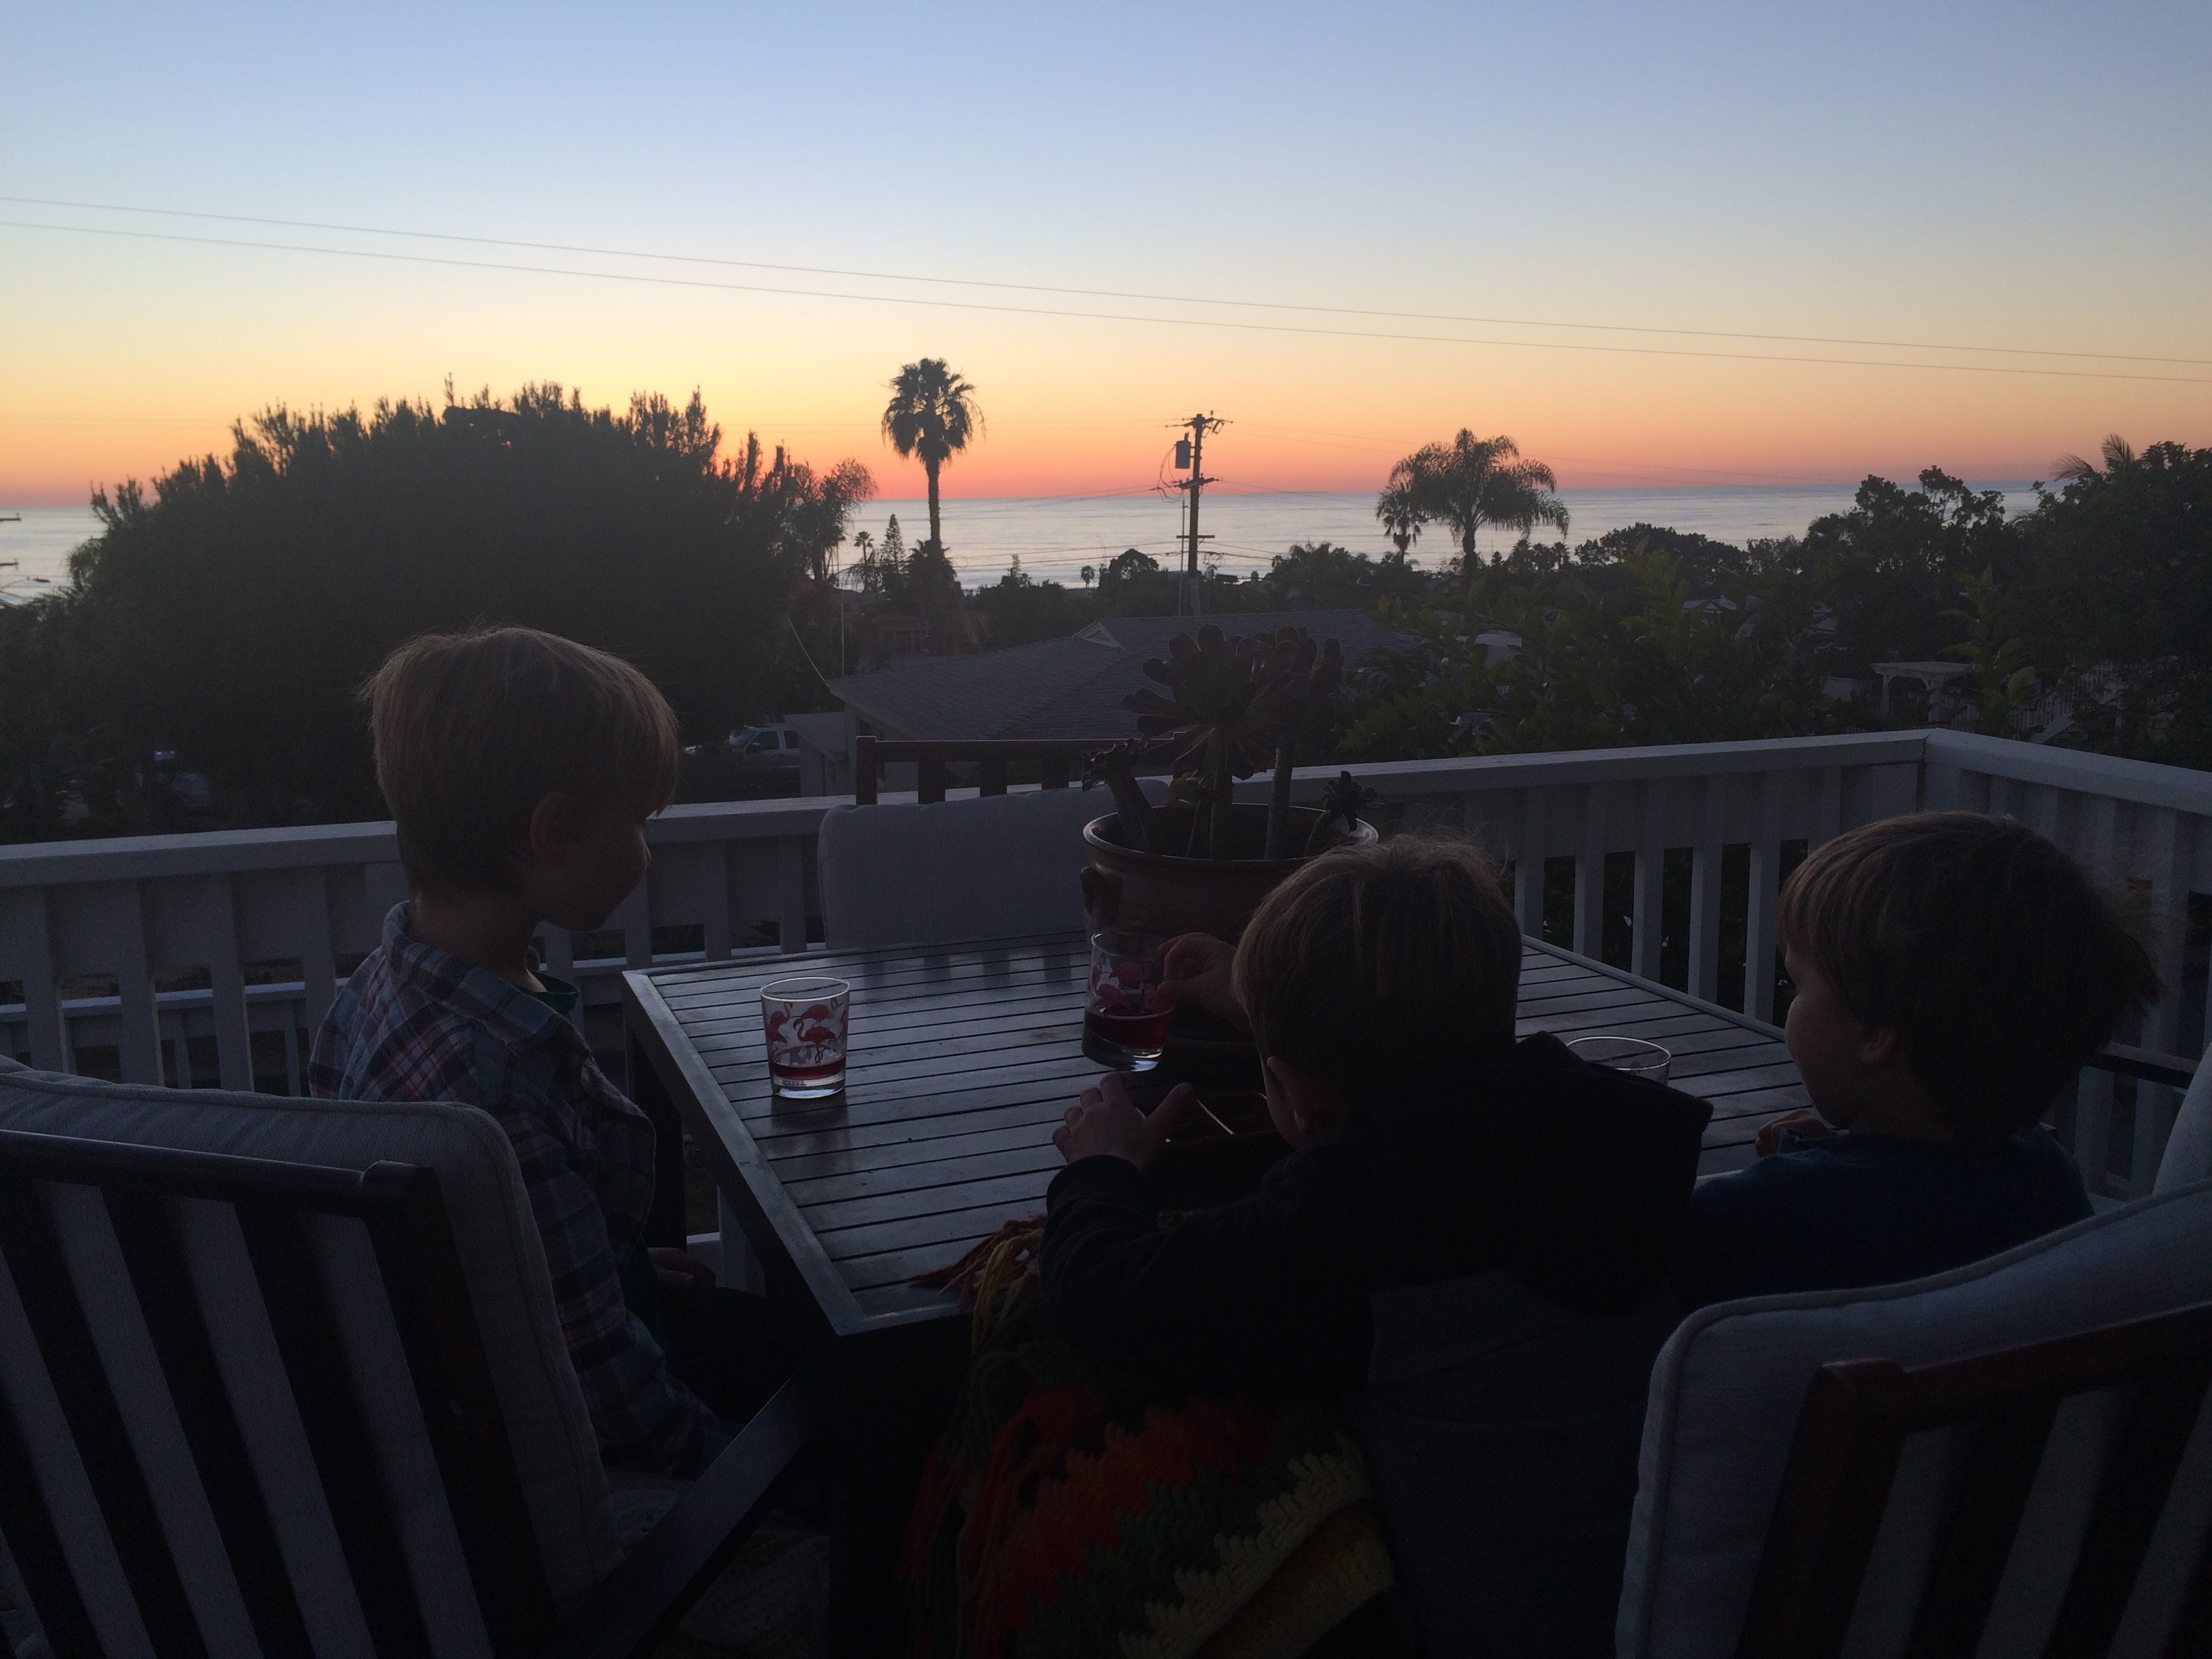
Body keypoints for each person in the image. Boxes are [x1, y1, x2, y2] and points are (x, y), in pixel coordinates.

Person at [1040, 837, 1713, 1658]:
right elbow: (1431, 1073)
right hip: (1642, 1616)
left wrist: (1104, 1168)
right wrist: (1273, 1005)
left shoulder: (1358, 1224)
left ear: (1300, 1096)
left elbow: (1109, 1296)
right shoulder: (1613, 1143)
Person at [310, 626, 775, 1478]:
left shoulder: (379, 988)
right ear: (554, 830)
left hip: (509, 1370)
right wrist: (750, 1482)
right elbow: (612, 1396)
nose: (646, 851)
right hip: (585, 1456)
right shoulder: (491, 1088)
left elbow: (506, 1269)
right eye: (637, 822)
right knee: (856, 1378)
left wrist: (612, 1266)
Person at [1674, 811, 2160, 1311]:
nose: (1789, 1005)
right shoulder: (2047, 1180)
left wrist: (1801, 1175)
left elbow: (1635, 1269)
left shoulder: (1763, 1213)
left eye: (1797, 984)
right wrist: (1826, 1159)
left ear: (1873, 1032)